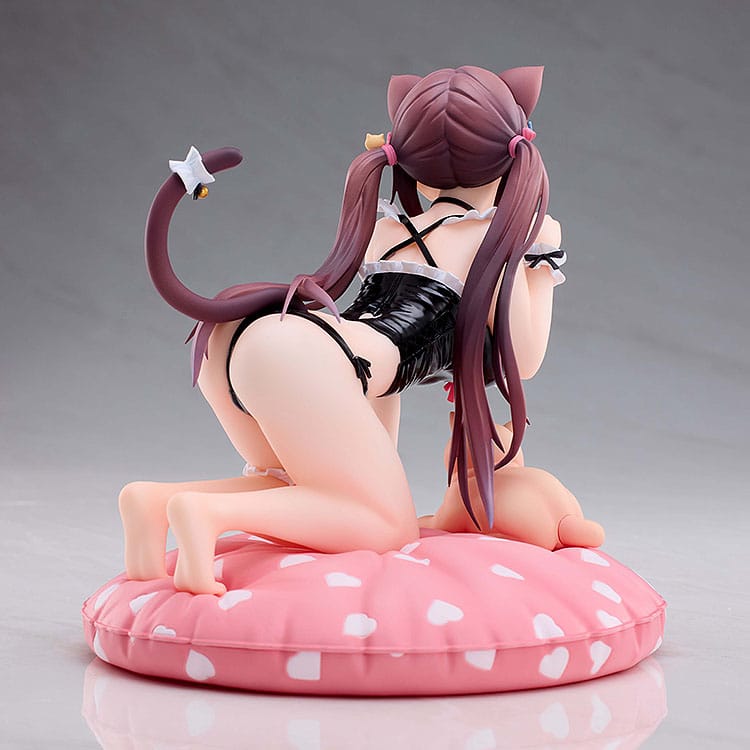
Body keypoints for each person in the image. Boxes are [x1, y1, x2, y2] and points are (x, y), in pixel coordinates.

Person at [119, 65, 604, 596]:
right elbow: (524, 356)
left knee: (296, 484)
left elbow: (374, 389)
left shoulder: (387, 226)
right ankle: (204, 514)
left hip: (248, 334)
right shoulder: (492, 238)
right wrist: (536, 255)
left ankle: (153, 503)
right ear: (513, 159)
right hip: (310, 357)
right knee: (385, 527)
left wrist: (373, 478)